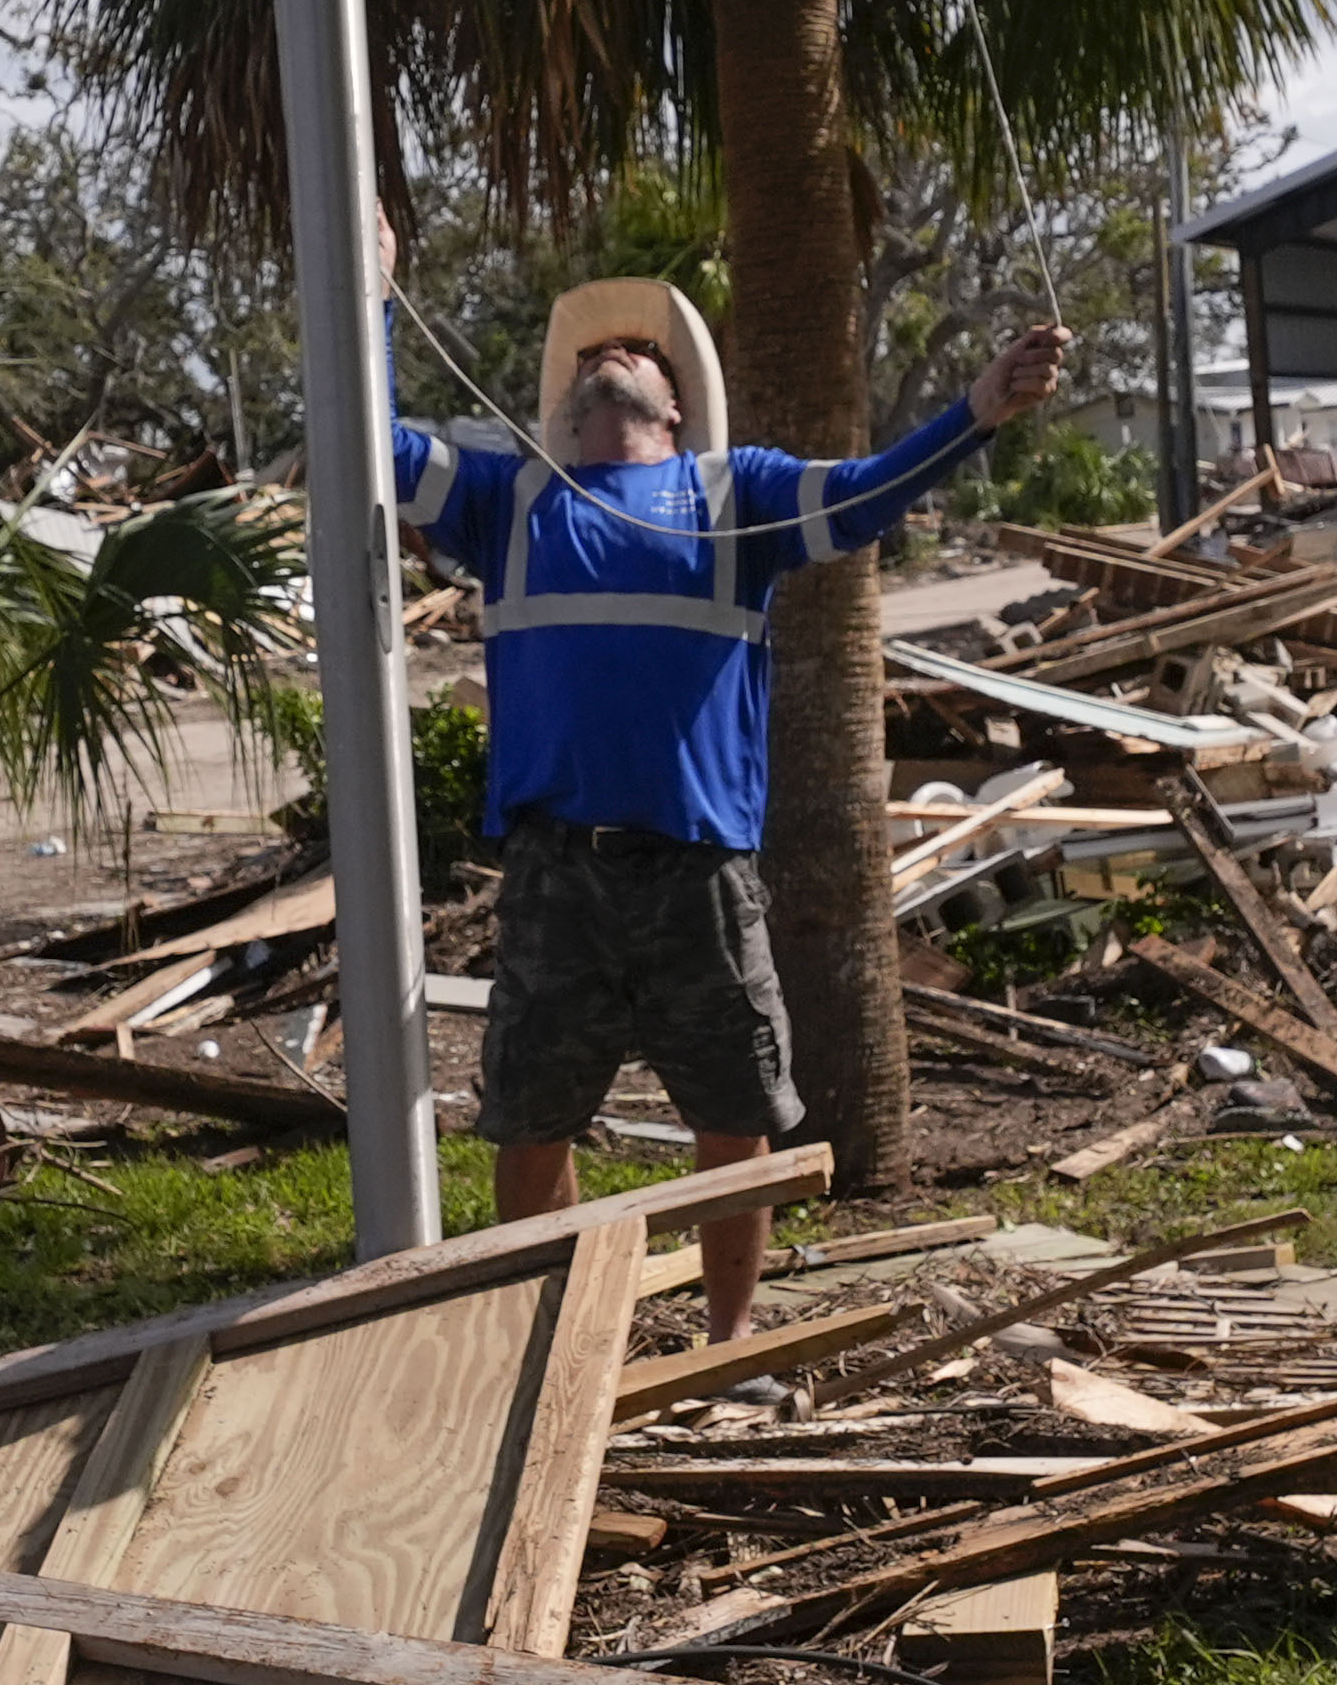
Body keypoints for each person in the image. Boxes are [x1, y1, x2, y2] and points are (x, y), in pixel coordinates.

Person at [394, 278, 1069, 1336]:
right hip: (554, 872)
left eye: (636, 356)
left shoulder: (734, 494)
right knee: (531, 1122)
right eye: (591, 359)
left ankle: (730, 1343)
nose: (609, 361)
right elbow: (375, 449)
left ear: (675, 406)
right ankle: (552, 1341)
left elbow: (866, 493)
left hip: (697, 871)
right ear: (567, 406)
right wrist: (381, 286)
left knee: (734, 1117)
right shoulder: (508, 500)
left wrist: (976, 410)